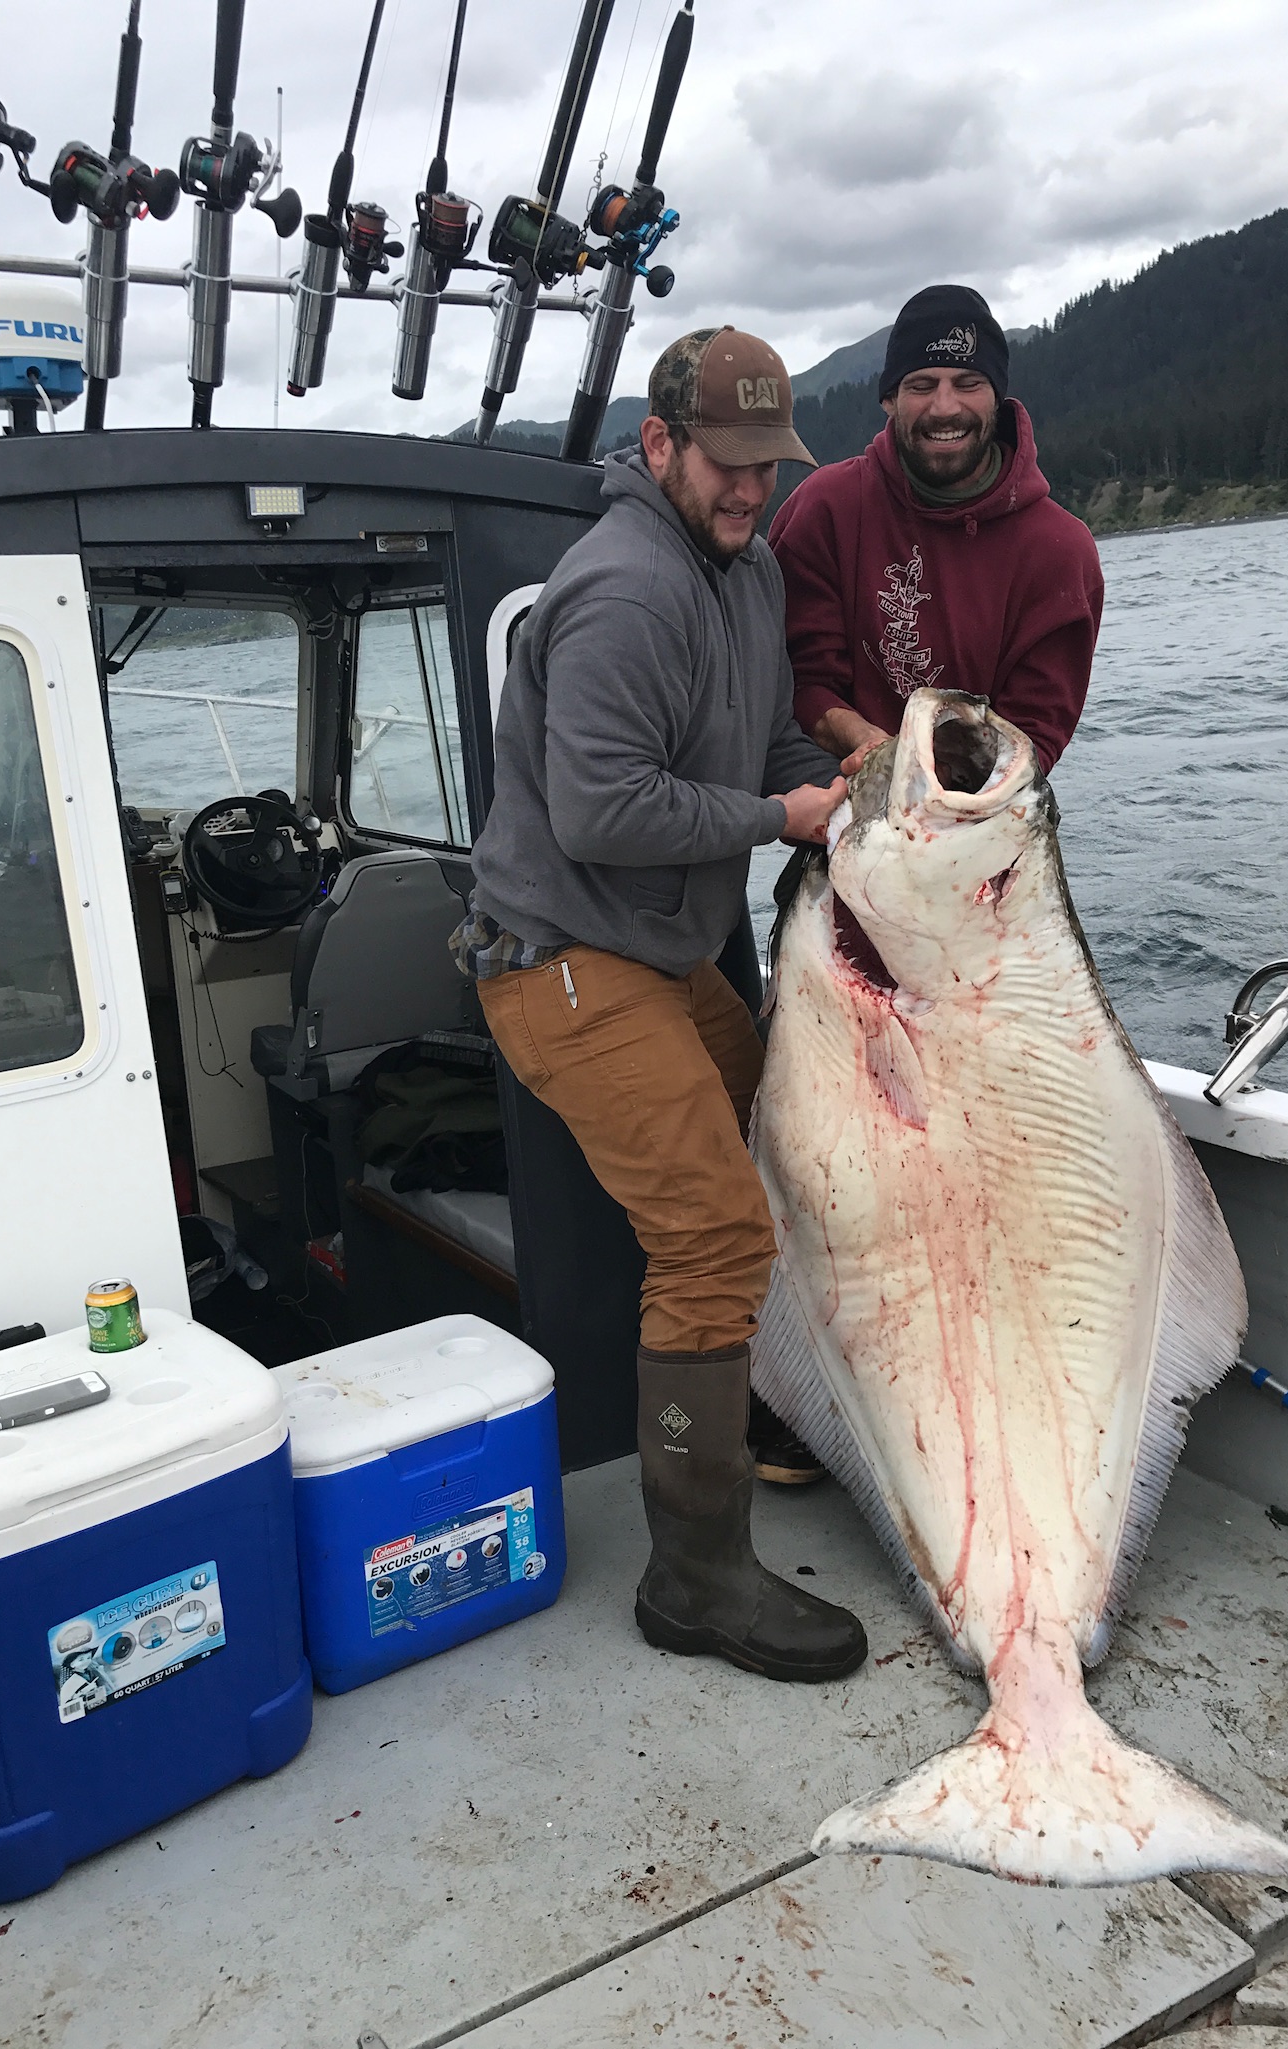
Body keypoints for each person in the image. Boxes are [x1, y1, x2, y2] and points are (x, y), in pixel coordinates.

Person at [452, 327, 868, 1684]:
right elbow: (602, 809)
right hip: (559, 961)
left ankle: (754, 1413)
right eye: (730, 462)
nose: (753, 488)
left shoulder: (740, 578)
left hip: (661, 954)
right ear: (659, 446)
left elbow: (763, 748)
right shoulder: (627, 586)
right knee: (711, 1229)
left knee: (771, 1139)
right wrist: (775, 816)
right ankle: (694, 1579)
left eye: (770, 463)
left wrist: (858, 771)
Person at [771, 284, 1103, 775]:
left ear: (998, 396)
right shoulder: (826, 510)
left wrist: (931, 791)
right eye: (921, 385)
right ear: (889, 399)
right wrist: (872, 748)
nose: (945, 408)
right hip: (837, 812)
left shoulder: (1060, 552)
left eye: (968, 382)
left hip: (980, 825)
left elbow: (1033, 736)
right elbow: (796, 681)